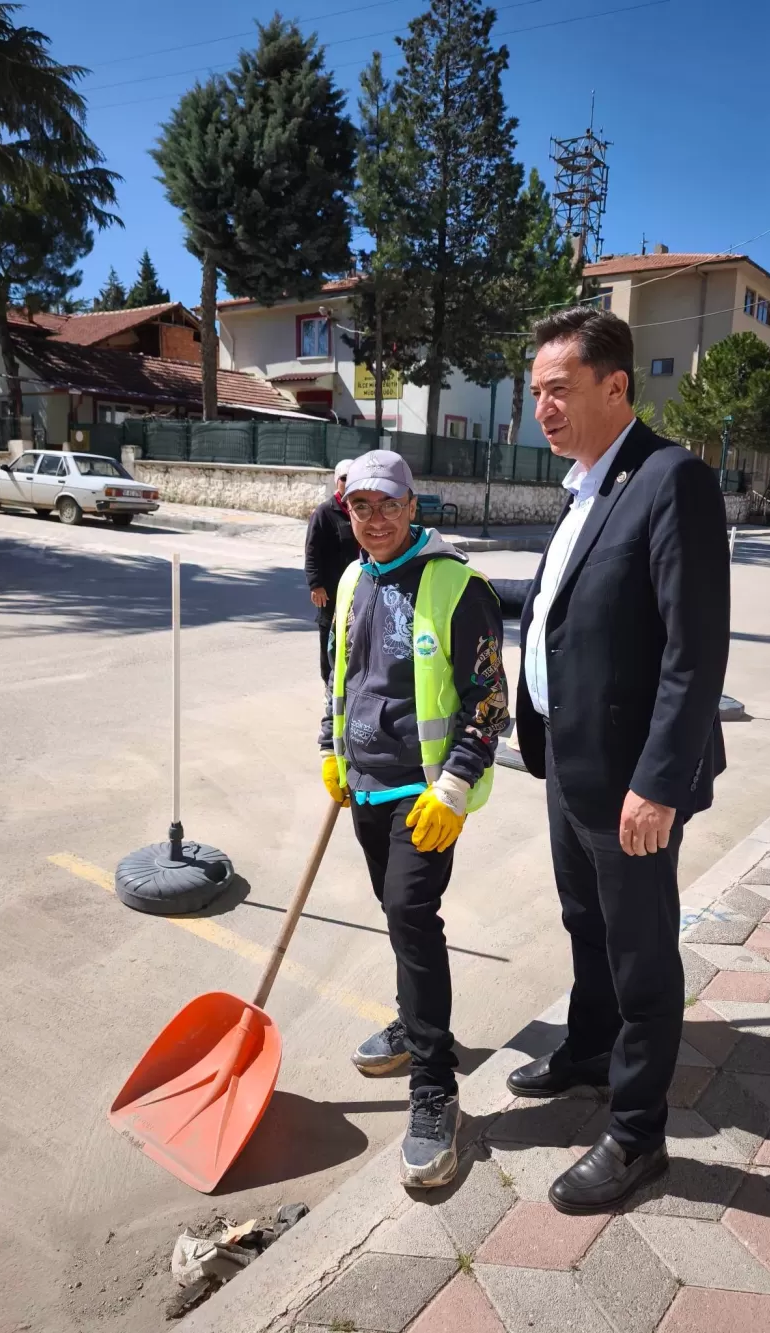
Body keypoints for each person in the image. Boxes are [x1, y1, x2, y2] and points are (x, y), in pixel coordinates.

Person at [509, 308, 730, 1213]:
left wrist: (658, 782)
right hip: (570, 761)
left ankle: (638, 1136)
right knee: (583, 921)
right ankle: (590, 1049)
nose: (543, 410)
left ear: (615, 386)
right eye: (535, 395)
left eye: (558, 390)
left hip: (633, 778)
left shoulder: (670, 480)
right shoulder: (582, 485)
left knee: (642, 953)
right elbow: (568, 607)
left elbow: (694, 651)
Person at [319, 449, 508, 1189]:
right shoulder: (351, 579)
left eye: (387, 504)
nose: (374, 519)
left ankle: (434, 1088)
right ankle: (413, 1016)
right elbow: (339, 675)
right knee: (397, 917)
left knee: (410, 912)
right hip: (363, 786)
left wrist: (456, 785)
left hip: (423, 797)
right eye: (360, 507)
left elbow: (489, 703)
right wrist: (329, 748)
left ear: (412, 504)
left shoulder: (457, 586)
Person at [305, 460, 358, 681]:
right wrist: (316, 584)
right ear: (336, 481)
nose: (348, 482)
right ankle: (329, 683)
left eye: (352, 477)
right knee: (329, 635)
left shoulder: (359, 508)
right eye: (344, 478)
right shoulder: (325, 512)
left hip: (358, 587)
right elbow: (312, 549)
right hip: (332, 590)